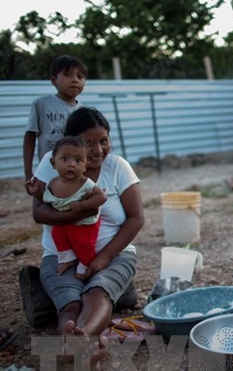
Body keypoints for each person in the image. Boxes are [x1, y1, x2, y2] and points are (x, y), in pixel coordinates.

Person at [26, 106, 144, 369]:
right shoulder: (52, 161)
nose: (98, 150)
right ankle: (81, 346)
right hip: (62, 256)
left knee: (97, 292)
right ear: (69, 143)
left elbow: (137, 219)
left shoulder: (117, 167)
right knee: (69, 304)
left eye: (104, 141)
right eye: (88, 142)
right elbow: (40, 213)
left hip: (114, 254)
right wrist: (81, 210)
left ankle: (80, 340)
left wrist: (104, 256)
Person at [36, 136, 107, 279]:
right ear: (53, 162)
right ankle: (68, 258)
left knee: (83, 244)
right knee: (57, 234)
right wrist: (35, 192)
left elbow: (102, 197)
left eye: (78, 160)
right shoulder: (53, 183)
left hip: (85, 224)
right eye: (65, 159)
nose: (72, 164)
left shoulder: (86, 183)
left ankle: (85, 263)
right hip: (64, 222)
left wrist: (82, 205)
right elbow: (46, 200)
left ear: (86, 165)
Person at [23, 55, 88, 183]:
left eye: (80, 76)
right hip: (47, 172)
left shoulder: (84, 112)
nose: (75, 80)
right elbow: (30, 137)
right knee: (42, 201)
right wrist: (28, 172)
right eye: (68, 75)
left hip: (74, 174)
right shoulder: (42, 104)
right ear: (54, 80)